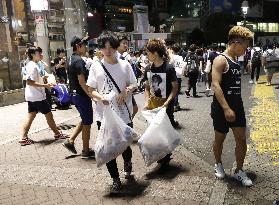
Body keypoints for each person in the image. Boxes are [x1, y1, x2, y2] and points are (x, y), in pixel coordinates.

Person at [87, 31, 137, 192]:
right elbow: (90, 89)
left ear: (116, 47)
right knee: (108, 148)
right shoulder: (96, 66)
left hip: (123, 112)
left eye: (111, 47)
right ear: (100, 48)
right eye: (104, 47)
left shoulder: (125, 65)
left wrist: (126, 91)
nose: (107, 50)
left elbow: (134, 84)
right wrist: (100, 97)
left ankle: (127, 161)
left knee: (125, 143)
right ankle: (115, 179)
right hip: (104, 114)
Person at [211, 26, 254, 187]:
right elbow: (215, 85)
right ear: (236, 43)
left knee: (242, 139)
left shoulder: (236, 60)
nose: (246, 49)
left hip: (238, 106)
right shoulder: (221, 59)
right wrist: (226, 108)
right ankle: (218, 164)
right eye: (245, 46)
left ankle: (239, 171)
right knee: (219, 138)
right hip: (221, 108)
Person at [19, 47, 68, 146]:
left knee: (31, 115)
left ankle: (23, 138)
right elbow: (29, 82)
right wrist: (45, 85)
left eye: (41, 52)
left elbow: (31, 79)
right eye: (39, 53)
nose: (41, 54)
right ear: (33, 54)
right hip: (37, 96)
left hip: (31, 96)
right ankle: (57, 134)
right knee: (49, 114)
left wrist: (45, 78)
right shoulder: (33, 66)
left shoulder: (30, 65)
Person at [143, 38, 179, 166]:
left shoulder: (168, 68)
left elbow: (175, 88)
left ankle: (165, 159)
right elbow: (146, 87)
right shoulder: (148, 68)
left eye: (148, 52)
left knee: (164, 132)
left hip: (165, 106)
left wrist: (167, 102)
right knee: (154, 131)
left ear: (156, 53)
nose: (146, 55)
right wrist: (146, 102)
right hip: (153, 105)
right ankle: (160, 155)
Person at [62, 36, 95, 159]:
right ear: (78, 46)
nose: (85, 47)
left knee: (84, 118)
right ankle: (86, 150)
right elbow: (82, 81)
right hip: (81, 95)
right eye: (83, 45)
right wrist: (91, 95)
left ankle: (70, 140)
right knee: (87, 122)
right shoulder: (79, 61)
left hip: (74, 95)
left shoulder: (70, 59)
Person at [116, 33, 138, 119]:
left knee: (134, 109)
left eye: (126, 43)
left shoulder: (122, 56)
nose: (126, 45)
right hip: (122, 90)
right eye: (124, 43)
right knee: (130, 110)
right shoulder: (117, 57)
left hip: (126, 89)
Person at [169, 43, 186, 111]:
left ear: (172, 50)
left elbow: (169, 64)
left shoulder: (171, 57)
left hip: (172, 75)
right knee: (176, 91)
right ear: (179, 51)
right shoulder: (180, 57)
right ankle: (175, 104)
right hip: (178, 76)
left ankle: (174, 104)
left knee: (172, 91)